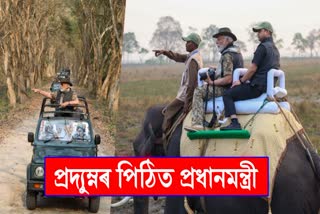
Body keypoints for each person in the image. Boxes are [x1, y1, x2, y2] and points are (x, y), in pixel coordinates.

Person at [221, 21, 280, 130]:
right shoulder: (275, 49)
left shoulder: (262, 47)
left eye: (259, 31)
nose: (257, 34)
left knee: (227, 94)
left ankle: (234, 123)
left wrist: (241, 81)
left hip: (257, 87)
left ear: (267, 32)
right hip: (267, 86)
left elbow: (253, 68)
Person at [185, 28, 244, 131]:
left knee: (199, 91)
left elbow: (228, 79)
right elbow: (231, 70)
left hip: (226, 88)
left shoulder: (227, 55)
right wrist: (217, 70)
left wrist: (212, 82)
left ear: (227, 40)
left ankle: (197, 123)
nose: (217, 42)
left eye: (219, 39)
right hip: (235, 88)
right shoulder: (237, 52)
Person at [153, 33, 203, 145]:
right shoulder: (192, 56)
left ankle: (165, 138)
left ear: (194, 44)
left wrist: (187, 101)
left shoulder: (193, 60)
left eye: (188, 42)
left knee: (168, 111)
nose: (186, 44)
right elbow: (178, 57)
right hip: (185, 94)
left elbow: (192, 83)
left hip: (185, 95)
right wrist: (165, 52)